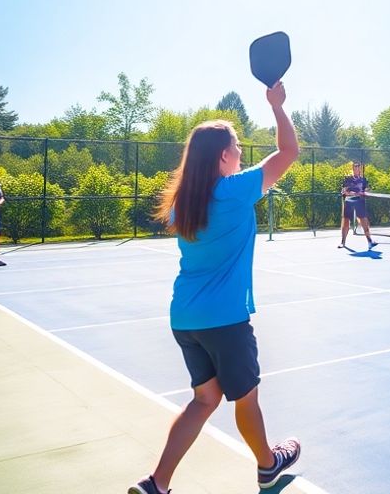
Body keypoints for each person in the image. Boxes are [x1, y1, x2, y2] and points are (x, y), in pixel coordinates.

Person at [130, 81, 301, 494]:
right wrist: (277, 107)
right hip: (224, 319)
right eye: (238, 146)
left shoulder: (182, 201)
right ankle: (267, 465)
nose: (241, 151)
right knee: (246, 399)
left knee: (204, 401)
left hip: (185, 318)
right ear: (224, 155)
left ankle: (158, 483)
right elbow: (289, 154)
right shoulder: (233, 191)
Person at [338, 161, 375, 250]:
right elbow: (344, 191)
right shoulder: (347, 179)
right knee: (345, 222)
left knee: (364, 222)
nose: (357, 169)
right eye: (355, 168)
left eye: (358, 168)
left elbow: (367, 189)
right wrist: (354, 193)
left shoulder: (363, 180)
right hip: (349, 202)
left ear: (360, 170)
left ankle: (370, 241)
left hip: (360, 203)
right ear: (353, 169)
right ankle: (343, 242)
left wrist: (365, 192)